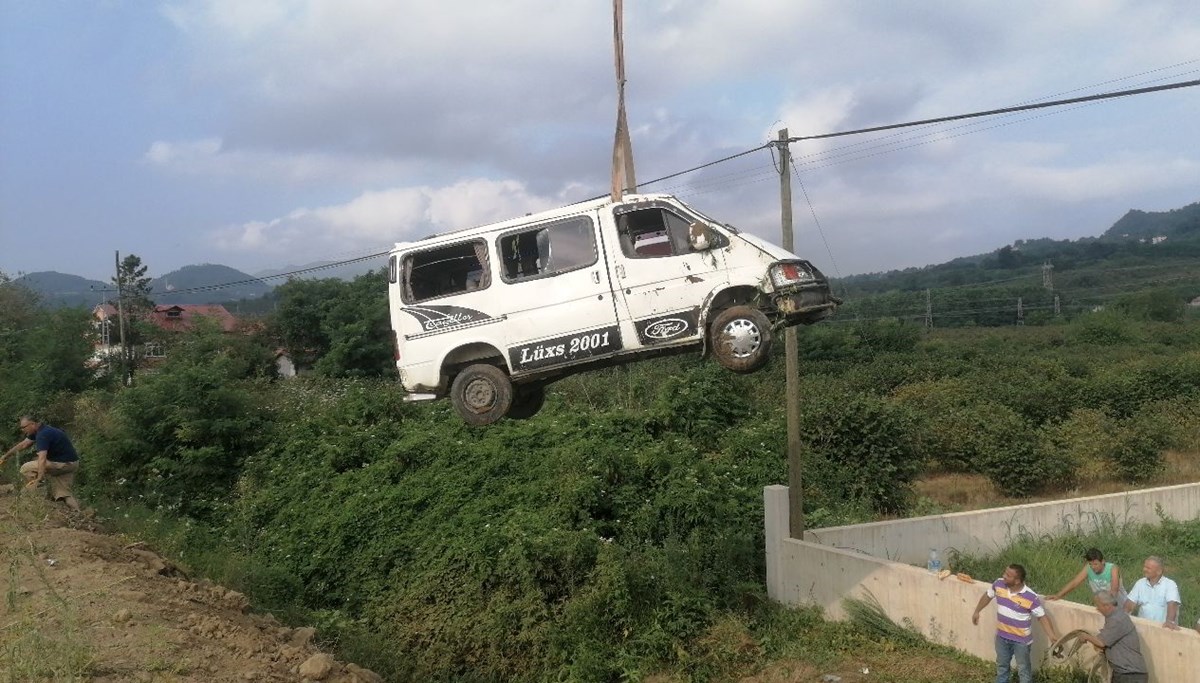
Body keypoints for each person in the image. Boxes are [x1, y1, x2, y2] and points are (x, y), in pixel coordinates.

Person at [972, 563, 1061, 683]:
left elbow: (1042, 617)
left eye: (1008, 575)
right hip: (1002, 637)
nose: (1003, 576)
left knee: (1023, 670)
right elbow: (988, 596)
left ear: (1017, 580)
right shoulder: (998, 584)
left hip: (1021, 642)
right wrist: (977, 611)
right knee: (1002, 667)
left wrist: (1052, 636)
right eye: (1005, 573)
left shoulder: (1030, 596)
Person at [0, 415, 81, 511]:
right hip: (71, 464)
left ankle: (35, 490)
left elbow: (42, 458)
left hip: (62, 464)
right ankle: (80, 516)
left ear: (33, 424)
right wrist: (5, 457)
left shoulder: (43, 434)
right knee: (64, 494)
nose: (22, 430)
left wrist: (39, 478)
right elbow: (23, 445)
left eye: (24, 427)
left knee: (26, 468)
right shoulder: (41, 430)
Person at [1077, 591, 1148, 683]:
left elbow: (1101, 642)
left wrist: (1086, 637)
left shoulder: (1117, 619)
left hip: (1131, 675)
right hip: (1123, 673)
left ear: (1107, 606)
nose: (1097, 609)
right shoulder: (1113, 617)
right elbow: (1104, 639)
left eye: (1099, 606)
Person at [1046, 547, 1126, 605]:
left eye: (1096, 564)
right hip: (1103, 606)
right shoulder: (1088, 568)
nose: (1093, 567)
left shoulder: (1113, 568)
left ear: (1103, 561)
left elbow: (1114, 589)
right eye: (1091, 564)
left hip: (1120, 604)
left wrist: (1108, 606)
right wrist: (1058, 595)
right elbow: (1075, 582)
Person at [1124, 556, 1181, 630]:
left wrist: (1170, 622)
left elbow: (1172, 604)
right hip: (1143, 627)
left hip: (1163, 628)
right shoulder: (1140, 583)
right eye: (1144, 567)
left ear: (1159, 571)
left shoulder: (1170, 584)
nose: (1144, 569)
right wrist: (1123, 617)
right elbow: (1129, 604)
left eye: (1148, 568)